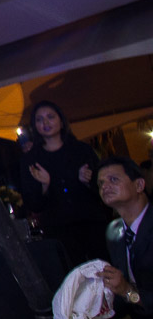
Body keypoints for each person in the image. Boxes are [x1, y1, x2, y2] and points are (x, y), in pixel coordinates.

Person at [18, 99, 110, 267]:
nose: (45, 123)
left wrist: (87, 181)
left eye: (50, 117)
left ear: (61, 121)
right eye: (39, 119)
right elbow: (33, 204)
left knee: (104, 271)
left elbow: (104, 189)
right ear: (34, 126)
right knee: (73, 278)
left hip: (91, 223)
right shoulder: (31, 160)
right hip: (58, 230)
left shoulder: (82, 150)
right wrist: (45, 186)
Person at [97, 157, 153, 319]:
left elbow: (127, 291)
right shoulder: (114, 232)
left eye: (113, 179)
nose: (105, 186)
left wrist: (126, 291)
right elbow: (125, 288)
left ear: (139, 185)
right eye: (100, 183)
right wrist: (100, 318)